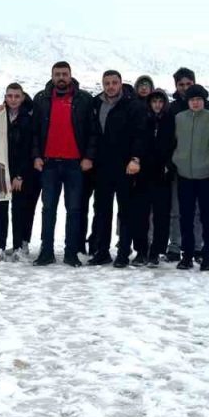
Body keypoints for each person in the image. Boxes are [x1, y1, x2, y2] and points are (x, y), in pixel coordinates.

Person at [31, 61, 97, 267]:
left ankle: (71, 252)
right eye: (57, 74)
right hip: (49, 164)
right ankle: (46, 251)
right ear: (52, 76)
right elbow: (34, 132)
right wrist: (36, 156)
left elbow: (93, 132)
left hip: (74, 165)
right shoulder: (41, 99)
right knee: (48, 209)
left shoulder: (84, 99)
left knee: (74, 209)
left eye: (64, 74)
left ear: (71, 75)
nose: (61, 77)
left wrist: (88, 156)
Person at [88, 70, 144, 268]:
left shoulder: (132, 105)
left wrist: (135, 159)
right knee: (102, 210)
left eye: (114, 82)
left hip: (125, 166)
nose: (110, 86)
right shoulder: (96, 103)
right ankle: (102, 251)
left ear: (121, 83)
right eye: (107, 83)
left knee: (125, 211)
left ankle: (123, 253)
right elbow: (91, 133)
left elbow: (140, 134)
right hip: (102, 167)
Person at [166, 67, 209, 260]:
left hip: (203, 170)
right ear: (176, 86)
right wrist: (170, 161)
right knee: (177, 210)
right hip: (180, 168)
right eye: (181, 84)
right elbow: (168, 139)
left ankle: (198, 246)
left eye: (188, 84)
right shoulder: (173, 109)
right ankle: (176, 245)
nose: (184, 88)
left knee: (199, 211)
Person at [173, 84, 209, 270]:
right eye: (192, 100)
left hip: (207, 175)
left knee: (207, 218)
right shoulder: (179, 118)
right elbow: (173, 141)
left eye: (199, 99)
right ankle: (187, 255)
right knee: (186, 217)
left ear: (204, 101)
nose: (196, 103)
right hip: (184, 175)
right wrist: (177, 160)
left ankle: (207, 256)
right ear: (187, 101)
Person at [0, 83, 38, 259]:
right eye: (9, 96)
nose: (13, 99)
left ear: (22, 97)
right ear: (5, 97)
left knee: (19, 209)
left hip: (21, 171)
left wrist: (20, 175)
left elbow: (29, 149)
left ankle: (18, 246)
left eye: (16, 96)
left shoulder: (29, 118)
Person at [137, 89, 175, 267]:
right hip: (144, 172)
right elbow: (137, 143)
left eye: (160, 102)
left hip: (163, 173)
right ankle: (141, 250)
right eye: (154, 102)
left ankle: (156, 251)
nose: (157, 105)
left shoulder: (170, 121)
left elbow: (174, 144)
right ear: (150, 103)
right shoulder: (143, 120)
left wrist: (169, 163)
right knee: (141, 213)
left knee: (161, 215)